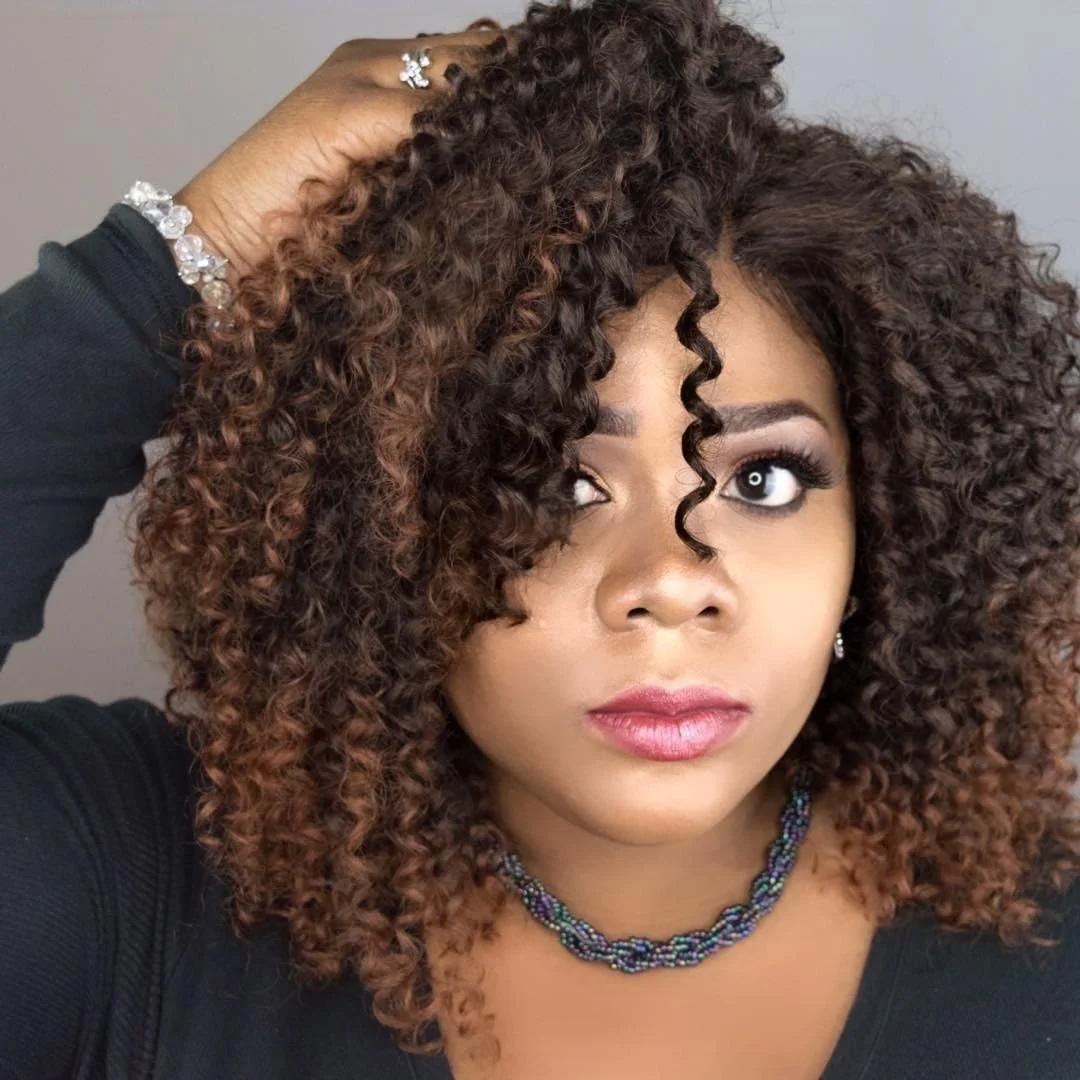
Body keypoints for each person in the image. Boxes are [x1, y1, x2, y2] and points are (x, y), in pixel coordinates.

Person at [2, 0, 1079, 1077]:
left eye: (763, 479)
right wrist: (171, 264)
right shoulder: (133, 888)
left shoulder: (1054, 961)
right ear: (378, 534)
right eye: (558, 482)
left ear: (878, 533)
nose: (671, 582)